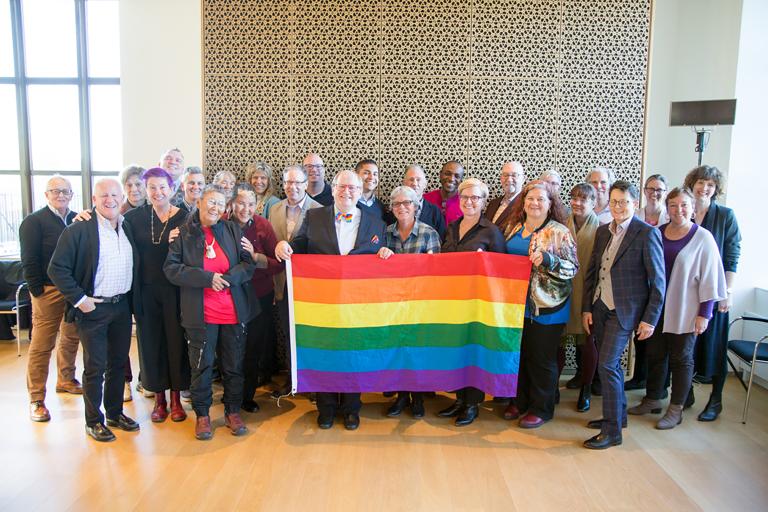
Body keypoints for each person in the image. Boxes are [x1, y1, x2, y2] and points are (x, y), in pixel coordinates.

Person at [275, 170, 386, 430]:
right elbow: (298, 247)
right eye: (342, 187)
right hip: (321, 304)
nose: (347, 192)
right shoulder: (314, 216)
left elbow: (378, 255)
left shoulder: (375, 221)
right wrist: (282, 246)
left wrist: (385, 252)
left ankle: (351, 410)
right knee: (324, 355)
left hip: (357, 306)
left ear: (360, 191)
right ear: (333, 188)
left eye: (353, 188)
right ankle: (325, 409)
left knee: (353, 356)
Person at [48, 178, 142, 442]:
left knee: (117, 363)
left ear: (121, 197)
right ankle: (93, 420)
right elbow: (57, 269)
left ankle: (114, 412)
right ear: (93, 200)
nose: (110, 200)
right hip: (93, 309)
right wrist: (80, 299)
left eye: (114, 195)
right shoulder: (79, 230)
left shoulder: (127, 227)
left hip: (121, 307)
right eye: (104, 196)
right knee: (95, 367)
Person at [628, 188, 726, 429]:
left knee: (681, 359)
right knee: (655, 355)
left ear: (693, 208)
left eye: (683, 205)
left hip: (687, 309)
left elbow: (711, 278)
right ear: (667, 207)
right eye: (673, 205)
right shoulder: (657, 233)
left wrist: (705, 313)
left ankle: (676, 408)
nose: (678, 210)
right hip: (657, 309)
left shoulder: (703, 238)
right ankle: (653, 399)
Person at [164, 185, 257, 440]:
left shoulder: (232, 229)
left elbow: (248, 264)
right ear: (199, 203)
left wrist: (226, 278)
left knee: (233, 364)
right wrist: (207, 278)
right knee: (201, 366)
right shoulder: (184, 234)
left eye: (220, 203)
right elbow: (171, 269)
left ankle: (232, 410)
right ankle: (203, 415)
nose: (215, 207)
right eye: (210, 202)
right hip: (200, 314)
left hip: (233, 312)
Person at [581, 180, 665, 449]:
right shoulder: (603, 231)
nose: (618, 206)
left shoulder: (646, 234)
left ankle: (612, 431)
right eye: (614, 201)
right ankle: (617, 415)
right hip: (600, 307)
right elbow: (592, 272)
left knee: (606, 364)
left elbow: (658, 282)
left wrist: (650, 318)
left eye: (624, 202)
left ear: (635, 204)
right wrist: (586, 307)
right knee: (612, 366)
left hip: (625, 311)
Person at [502, 181, 578, 428]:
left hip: (547, 306)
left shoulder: (559, 232)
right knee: (519, 355)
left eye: (540, 200)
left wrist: (549, 260)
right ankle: (519, 400)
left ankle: (541, 408)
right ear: (523, 203)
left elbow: (572, 268)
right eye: (530, 199)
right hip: (515, 305)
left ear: (550, 204)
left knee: (541, 359)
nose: (534, 203)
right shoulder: (513, 228)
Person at [437, 178, 506, 427]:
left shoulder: (491, 231)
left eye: (475, 198)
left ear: (483, 201)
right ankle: (458, 399)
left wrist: (484, 261)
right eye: (465, 197)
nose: (469, 202)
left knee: (473, 351)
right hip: (454, 300)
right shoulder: (452, 227)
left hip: (478, 302)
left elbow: (501, 269)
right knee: (457, 350)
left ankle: (472, 404)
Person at [124, 168, 190, 423]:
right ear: (145, 190)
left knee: (176, 344)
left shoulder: (185, 218)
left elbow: (193, 254)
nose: (157, 192)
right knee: (151, 345)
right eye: (152, 187)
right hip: (146, 290)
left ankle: (176, 399)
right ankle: (159, 399)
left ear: (172, 189)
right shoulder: (133, 218)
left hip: (175, 291)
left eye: (162, 187)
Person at [19, 175, 81, 422]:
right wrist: (37, 291)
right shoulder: (34, 222)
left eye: (65, 191)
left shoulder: (77, 219)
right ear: (46, 195)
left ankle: (66, 378)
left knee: (71, 337)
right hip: (47, 290)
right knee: (42, 344)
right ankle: (36, 398)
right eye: (55, 191)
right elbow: (29, 260)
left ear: (71, 194)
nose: (61, 195)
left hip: (72, 289)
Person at [376, 186, 441, 419]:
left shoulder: (429, 233)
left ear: (416, 206)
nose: (402, 207)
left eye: (407, 203)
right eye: (396, 204)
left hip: (419, 303)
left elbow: (435, 273)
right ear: (391, 208)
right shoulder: (385, 233)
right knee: (397, 349)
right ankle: (401, 396)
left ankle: (418, 397)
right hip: (392, 304)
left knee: (417, 350)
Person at [685, 165, 741, 421]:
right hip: (687, 292)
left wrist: (726, 292)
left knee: (715, 345)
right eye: (700, 182)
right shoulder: (684, 211)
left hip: (714, 291)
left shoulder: (725, 215)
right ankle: (686, 393)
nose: (704, 187)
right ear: (692, 183)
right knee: (686, 345)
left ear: (716, 188)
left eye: (710, 184)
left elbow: (732, 256)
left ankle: (715, 400)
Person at [269, 164, 322, 397]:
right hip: (281, 282)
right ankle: (292, 381)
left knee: (309, 336)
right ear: (283, 185)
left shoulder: (319, 210)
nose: (293, 187)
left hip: (309, 286)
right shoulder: (275, 209)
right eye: (288, 182)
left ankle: (311, 383)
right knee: (288, 334)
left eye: (298, 182)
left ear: (306, 184)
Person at [228, 183, 281, 412]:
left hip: (259, 296)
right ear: (231, 203)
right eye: (241, 203)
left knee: (253, 348)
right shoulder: (221, 223)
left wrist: (255, 256)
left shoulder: (263, 225)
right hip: (228, 296)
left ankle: (247, 397)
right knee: (230, 349)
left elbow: (278, 263)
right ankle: (231, 396)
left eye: (250, 204)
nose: (245, 209)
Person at [625, 173, 669, 392]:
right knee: (639, 337)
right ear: (644, 191)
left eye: (659, 190)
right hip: (638, 286)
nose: (654, 193)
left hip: (659, 286)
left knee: (658, 340)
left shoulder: (669, 219)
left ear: (665, 192)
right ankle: (638, 376)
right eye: (650, 189)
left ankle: (658, 386)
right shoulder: (636, 216)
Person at [559, 183, 600, 412]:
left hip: (587, 294)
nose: (577, 202)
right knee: (559, 343)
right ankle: (553, 388)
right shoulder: (561, 225)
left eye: (584, 199)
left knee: (587, 345)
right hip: (562, 292)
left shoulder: (602, 229)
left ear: (594, 203)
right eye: (574, 198)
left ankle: (586, 388)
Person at [402, 164, 446, 238]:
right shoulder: (396, 209)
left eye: (418, 180)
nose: (415, 183)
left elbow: (442, 239)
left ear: (425, 184)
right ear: (404, 183)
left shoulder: (435, 211)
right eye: (411, 179)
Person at [485, 161, 525, 230]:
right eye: (505, 175)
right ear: (501, 178)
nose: (509, 180)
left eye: (514, 175)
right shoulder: (492, 204)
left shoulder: (525, 205)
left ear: (523, 179)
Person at [423, 160, 464, 225]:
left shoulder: (465, 203)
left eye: (457, 176)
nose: (451, 179)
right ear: (440, 175)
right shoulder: (425, 199)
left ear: (461, 181)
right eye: (448, 174)